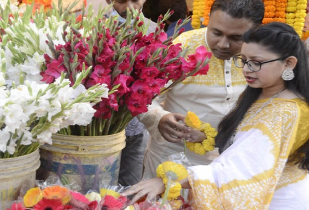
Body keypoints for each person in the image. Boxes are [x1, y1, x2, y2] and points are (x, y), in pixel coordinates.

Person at [123, 22, 309, 209]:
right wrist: (205, 137)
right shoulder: (262, 92)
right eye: (243, 60)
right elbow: (244, 144)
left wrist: (169, 181)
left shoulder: (286, 111)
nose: (246, 69)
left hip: (279, 199)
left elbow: (241, 170)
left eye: (256, 62)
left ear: (289, 63)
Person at [137, 0, 265, 179]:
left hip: (228, 163)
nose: (223, 44)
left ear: (256, 31)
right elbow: (143, 97)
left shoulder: (260, 56)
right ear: (208, 20)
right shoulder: (181, 46)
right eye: (216, 32)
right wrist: (159, 117)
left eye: (236, 38)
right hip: (171, 158)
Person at [105, 0, 156, 187]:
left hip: (137, 126)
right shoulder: (96, 27)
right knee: (101, 188)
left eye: (135, 0)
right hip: (103, 129)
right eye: (121, 1)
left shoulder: (154, 30)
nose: (129, 7)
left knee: (130, 188)